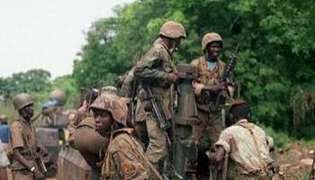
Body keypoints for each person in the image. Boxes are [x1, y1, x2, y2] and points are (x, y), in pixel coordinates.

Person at [134, 20, 186, 172]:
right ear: (172, 38)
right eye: (179, 40)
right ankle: (143, 175)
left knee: (163, 146)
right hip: (153, 106)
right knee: (158, 147)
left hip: (161, 106)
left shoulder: (165, 52)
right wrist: (167, 77)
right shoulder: (158, 50)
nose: (179, 44)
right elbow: (139, 71)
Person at [190, 32, 236, 177]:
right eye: (213, 46)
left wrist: (225, 90)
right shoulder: (196, 64)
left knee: (220, 146)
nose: (216, 50)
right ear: (206, 47)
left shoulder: (223, 67)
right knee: (193, 145)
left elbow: (231, 87)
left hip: (216, 113)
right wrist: (209, 88)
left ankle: (218, 175)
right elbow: (191, 85)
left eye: (218, 47)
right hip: (199, 112)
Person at [90, 93, 162, 180]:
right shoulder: (115, 139)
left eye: (102, 115)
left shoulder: (121, 143)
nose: (97, 120)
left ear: (115, 118)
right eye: (95, 115)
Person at [211, 100, 278, 180]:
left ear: (231, 116)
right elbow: (271, 149)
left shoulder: (229, 132)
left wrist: (211, 157)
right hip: (265, 176)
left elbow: (218, 158)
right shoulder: (260, 131)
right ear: (249, 115)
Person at [10, 93, 45, 180]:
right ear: (22, 110)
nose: (32, 109)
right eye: (29, 107)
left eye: (32, 106)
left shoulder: (30, 126)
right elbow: (17, 153)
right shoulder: (17, 126)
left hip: (32, 167)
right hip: (22, 171)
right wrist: (34, 170)